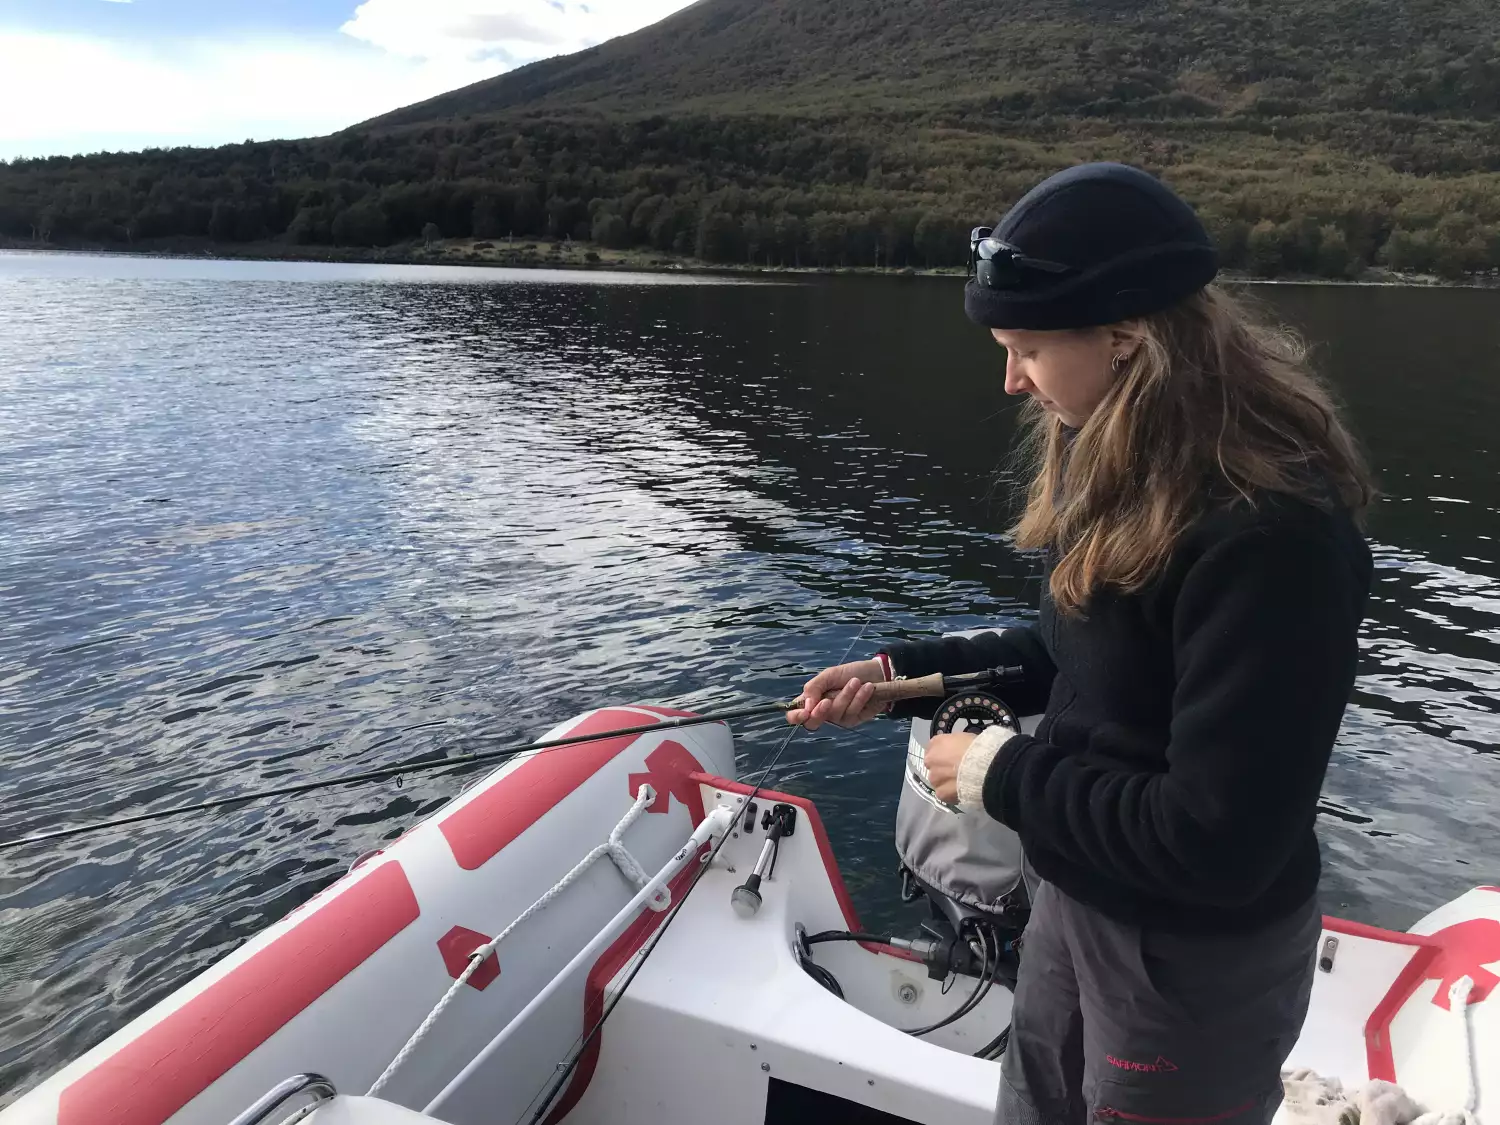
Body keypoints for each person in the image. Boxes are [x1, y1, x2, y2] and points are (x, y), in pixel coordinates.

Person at [787, 162, 1374, 1125]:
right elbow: (1083, 658)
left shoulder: (1274, 541)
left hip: (1184, 959)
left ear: (1127, 339)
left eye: (1027, 349)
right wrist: (902, 676)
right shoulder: (1131, 462)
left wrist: (1002, 775)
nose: (1010, 379)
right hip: (1072, 898)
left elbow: (1218, 842)